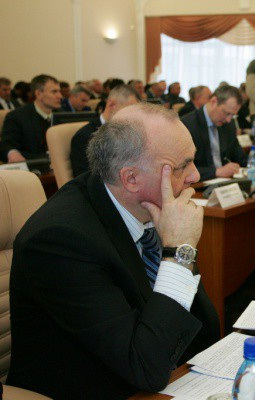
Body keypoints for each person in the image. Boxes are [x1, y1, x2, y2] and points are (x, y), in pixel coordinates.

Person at [7, 103, 220, 399]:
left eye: (193, 160)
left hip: (155, 374)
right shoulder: (60, 240)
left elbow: (205, 329)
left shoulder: (151, 210)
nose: (195, 176)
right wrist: (179, 253)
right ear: (130, 178)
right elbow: (144, 366)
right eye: (181, 166)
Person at [70, 84, 139, 177]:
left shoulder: (132, 133)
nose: (133, 116)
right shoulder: (83, 137)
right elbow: (85, 178)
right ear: (112, 104)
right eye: (129, 110)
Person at [181, 85, 247, 180]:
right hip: (199, 184)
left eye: (232, 115)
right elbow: (182, 169)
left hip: (226, 182)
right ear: (213, 101)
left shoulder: (229, 125)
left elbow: (240, 158)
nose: (228, 120)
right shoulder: (186, 125)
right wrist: (216, 172)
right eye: (227, 113)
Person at [0, 74, 62, 163]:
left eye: (59, 91)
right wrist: (12, 152)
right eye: (54, 92)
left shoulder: (63, 115)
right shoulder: (17, 116)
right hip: (33, 166)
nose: (60, 96)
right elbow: (7, 145)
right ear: (38, 94)